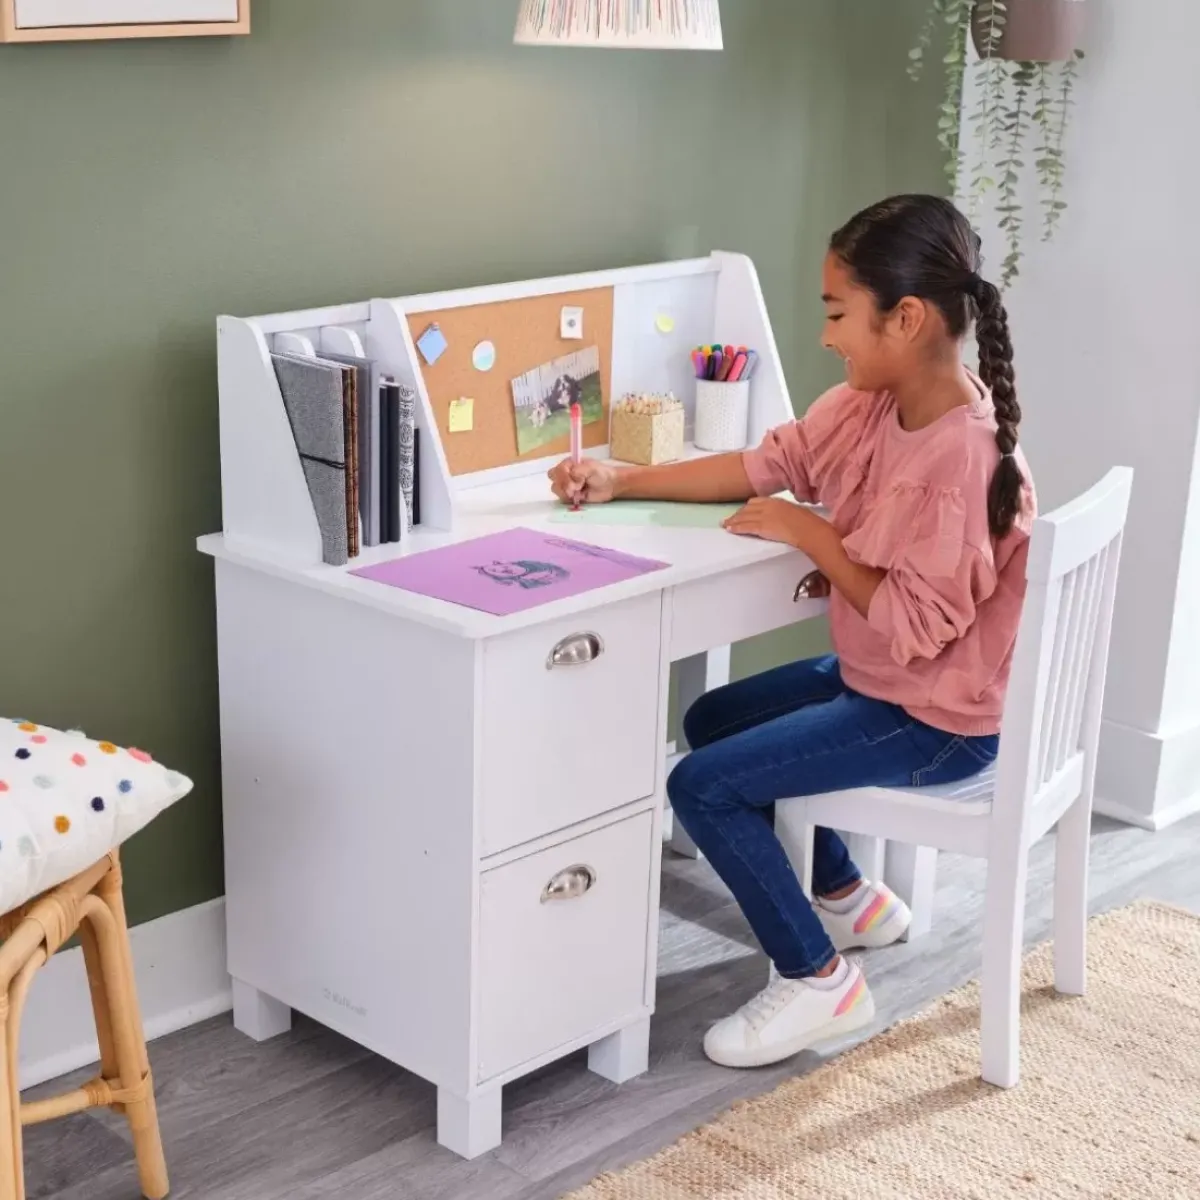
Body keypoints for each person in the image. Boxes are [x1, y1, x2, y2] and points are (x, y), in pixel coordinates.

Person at [547, 194, 1036, 1069]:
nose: (827, 335)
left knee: (701, 784)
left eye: (839, 313)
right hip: (886, 681)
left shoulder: (962, 456)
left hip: (934, 723)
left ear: (908, 318)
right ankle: (844, 891)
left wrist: (816, 537)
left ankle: (818, 979)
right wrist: (627, 479)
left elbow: (919, 625)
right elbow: (764, 465)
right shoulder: (877, 405)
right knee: (712, 722)